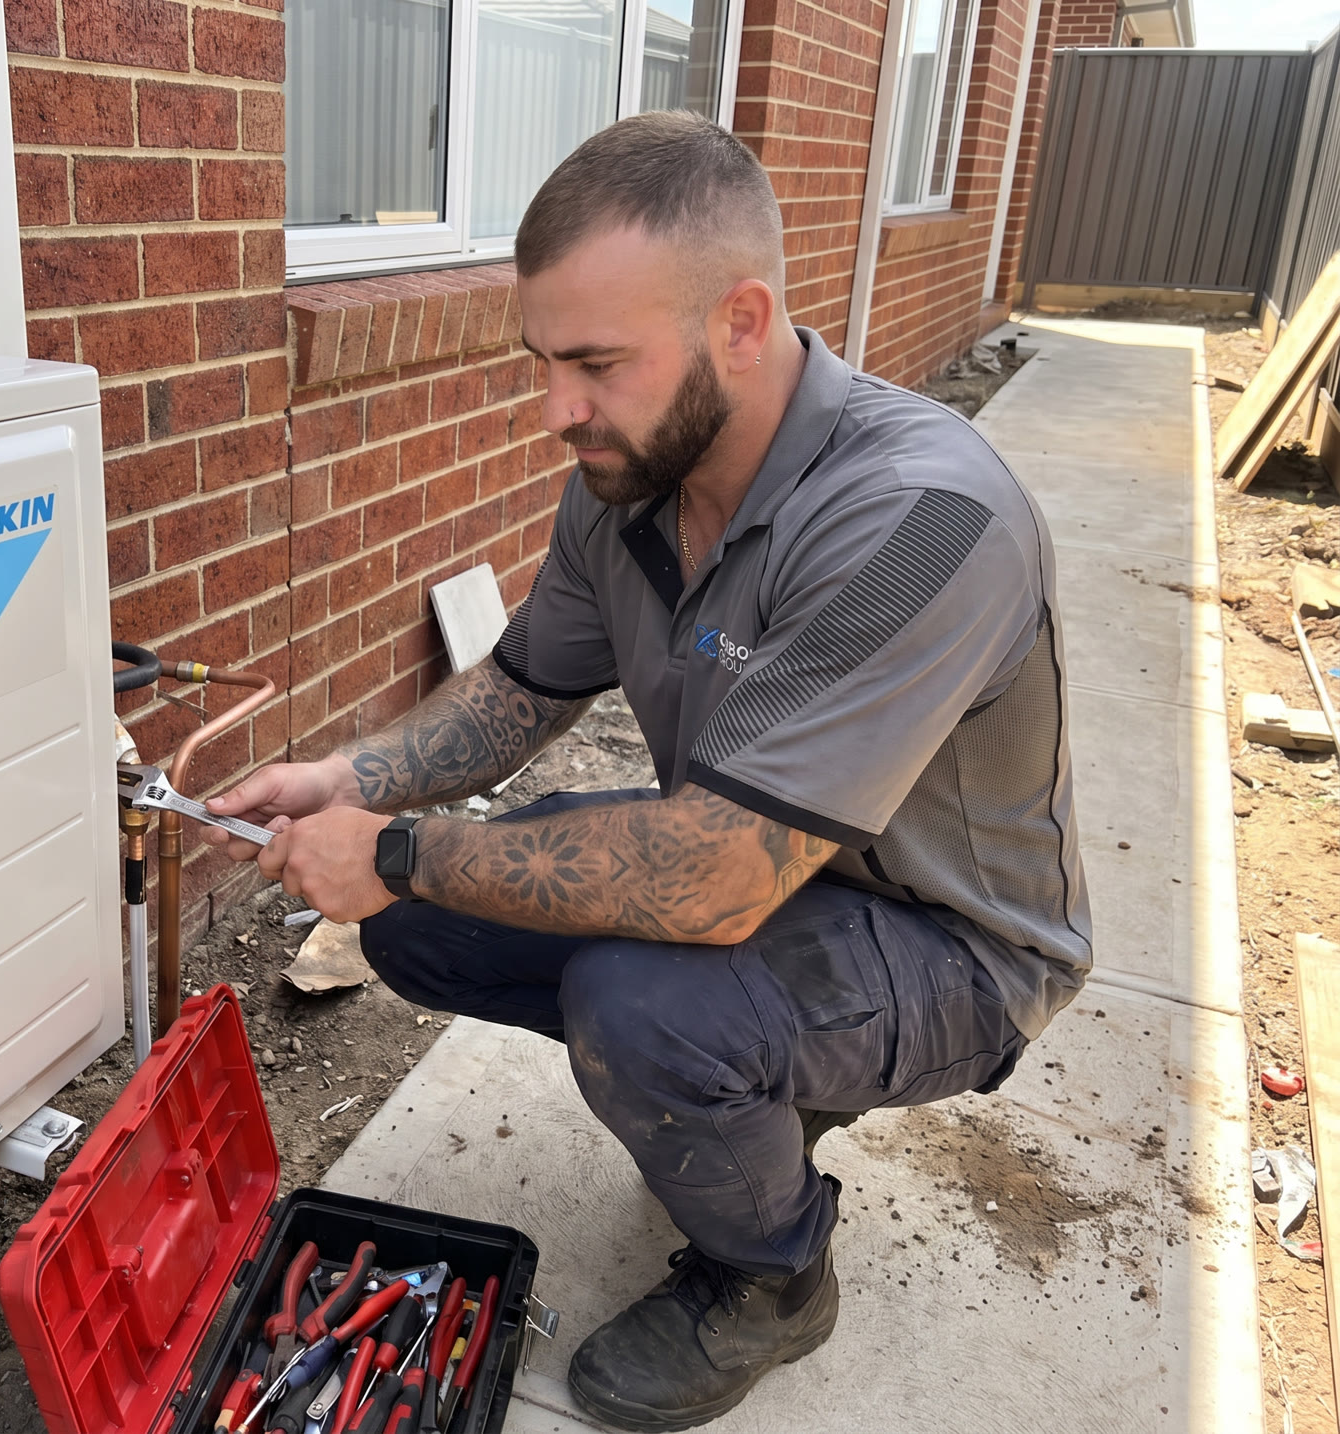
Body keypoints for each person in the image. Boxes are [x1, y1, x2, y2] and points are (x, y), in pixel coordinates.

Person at [204, 111, 1089, 1430]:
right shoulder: (628, 480)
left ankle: (774, 1275)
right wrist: (354, 776)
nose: (558, 409)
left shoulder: (924, 521)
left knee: (644, 1002)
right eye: (544, 361)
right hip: (765, 866)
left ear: (741, 319)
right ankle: (752, 1085)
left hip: (952, 945)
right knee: (423, 928)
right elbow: (516, 693)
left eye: (596, 363)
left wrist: (389, 850)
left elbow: (717, 878)